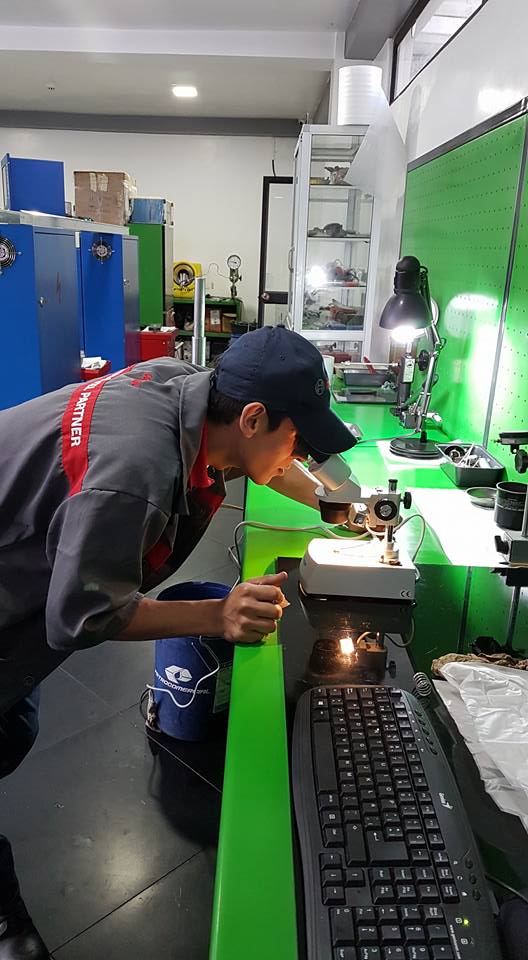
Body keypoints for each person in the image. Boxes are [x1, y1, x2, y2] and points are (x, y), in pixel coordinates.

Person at [0, 325, 355, 958]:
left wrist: (339, 507)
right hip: (19, 576)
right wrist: (218, 616)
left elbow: (260, 459)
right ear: (252, 417)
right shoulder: (136, 473)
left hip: (19, 546)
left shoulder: (186, 386)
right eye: (297, 440)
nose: (299, 457)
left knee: (12, 728)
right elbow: (81, 617)